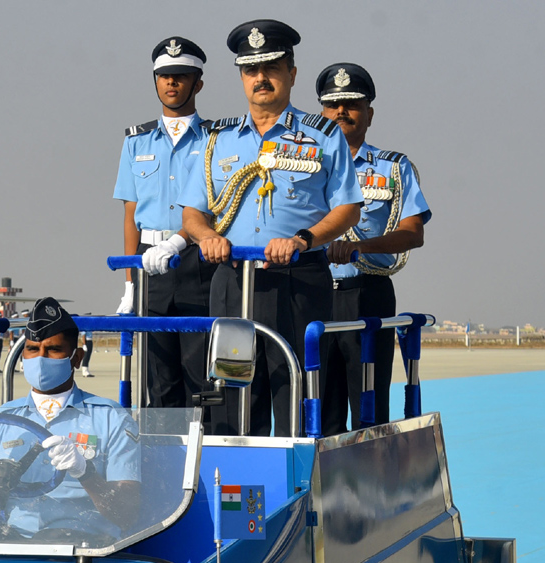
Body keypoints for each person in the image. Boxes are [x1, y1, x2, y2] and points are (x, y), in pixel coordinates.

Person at [180, 19, 363, 436]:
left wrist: (304, 240)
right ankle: (238, 490)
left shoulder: (324, 135)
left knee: (294, 390)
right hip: (232, 280)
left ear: (291, 74)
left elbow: (348, 208)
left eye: (272, 68)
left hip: (298, 281)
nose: (261, 78)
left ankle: (297, 493)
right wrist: (207, 237)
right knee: (233, 391)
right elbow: (193, 213)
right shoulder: (218, 140)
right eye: (251, 70)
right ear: (242, 77)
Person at [0, 298, 140, 541]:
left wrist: (85, 473)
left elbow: (128, 515)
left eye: (53, 350)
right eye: (33, 350)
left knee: (56, 537)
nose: (40, 359)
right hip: (15, 541)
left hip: (83, 545)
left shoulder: (110, 418)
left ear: (76, 358)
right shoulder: (3, 419)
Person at [315, 63, 431, 435]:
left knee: (368, 406)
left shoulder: (393, 168)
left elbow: (413, 232)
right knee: (316, 408)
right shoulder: (303, 168)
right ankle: (318, 489)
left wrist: (357, 247)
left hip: (367, 292)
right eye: (333, 105)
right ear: (321, 112)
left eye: (352, 104)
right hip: (310, 294)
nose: (341, 112)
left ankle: (368, 488)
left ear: (369, 114)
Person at [113, 36, 217, 409]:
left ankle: (203, 458)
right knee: (157, 373)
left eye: (181, 75)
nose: (171, 83)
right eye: (164, 76)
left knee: (200, 368)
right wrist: (129, 283)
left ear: (197, 83)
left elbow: (217, 208)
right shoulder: (135, 142)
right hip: (147, 263)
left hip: (199, 259)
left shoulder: (217, 140)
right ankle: (160, 461)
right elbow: (130, 215)